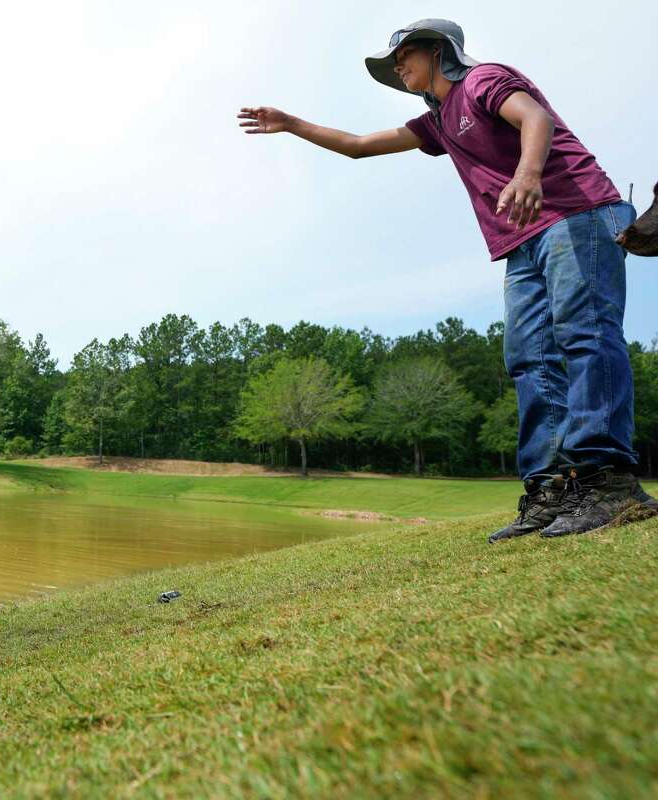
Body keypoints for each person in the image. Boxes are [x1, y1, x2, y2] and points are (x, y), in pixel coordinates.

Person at [238, 18, 657, 542]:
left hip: (576, 214)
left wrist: (527, 175)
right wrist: (291, 122)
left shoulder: (482, 81)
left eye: (404, 56)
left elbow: (535, 118)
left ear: (439, 51)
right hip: (521, 242)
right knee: (530, 358)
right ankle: (553, 487)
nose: (398, 67)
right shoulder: (437, 122)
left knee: (585, 337)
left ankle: (610, 482)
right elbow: (358, 144)